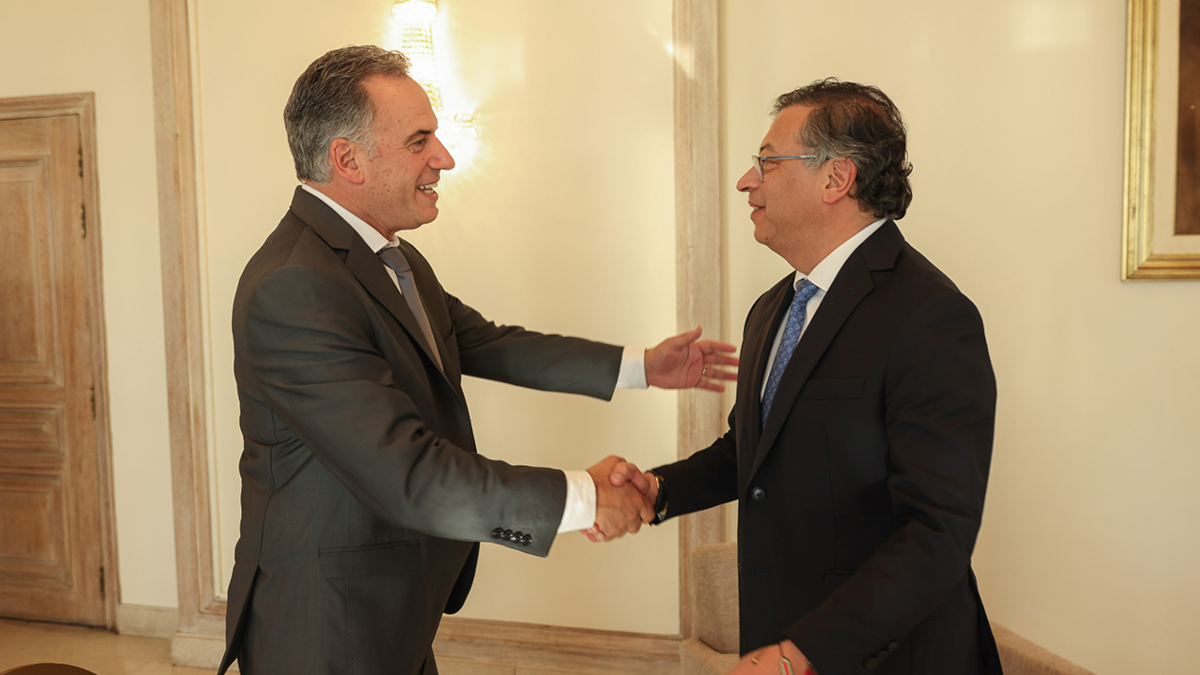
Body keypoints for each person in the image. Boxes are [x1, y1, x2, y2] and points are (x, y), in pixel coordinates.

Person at [217, 45, 737, 675]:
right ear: (347, 159)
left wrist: (641, 366)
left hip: (390, 605)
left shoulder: (389, 261)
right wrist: (584, 496)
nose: (445, 158)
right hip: (326, 620)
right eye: (420, 140)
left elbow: (490, 343)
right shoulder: (294, 284)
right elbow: (407, 472)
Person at [611, 79, 1003, 675]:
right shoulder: (773, 307)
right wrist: (658, 492)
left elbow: (935, 535)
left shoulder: (930, 316)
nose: (747, 181)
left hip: (890, 657)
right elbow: (752, 451)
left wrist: (804, 654)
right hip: (780, 636)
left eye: (766, 162)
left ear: (835, 178)